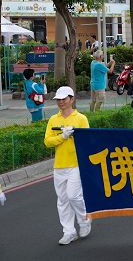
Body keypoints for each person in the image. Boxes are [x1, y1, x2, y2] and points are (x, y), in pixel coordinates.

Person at [44, 86, 91, 245]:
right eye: (59, 99)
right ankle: (69, 232)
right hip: (59, 165)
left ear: (72, 99)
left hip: (76, 164)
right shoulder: (53, 120)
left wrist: (75, 136)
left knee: (73, 196)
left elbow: (88, 141)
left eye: (64, 99)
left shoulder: (81, 119)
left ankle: (84, 221)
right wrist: (62, 136)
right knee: (62, 200)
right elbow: (47, 141)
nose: (61, 102)